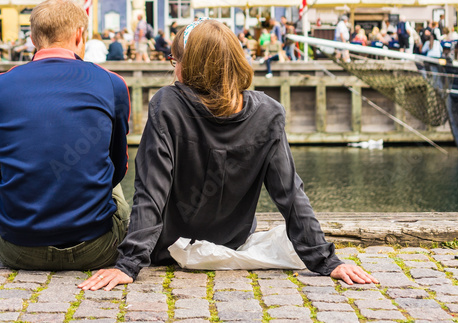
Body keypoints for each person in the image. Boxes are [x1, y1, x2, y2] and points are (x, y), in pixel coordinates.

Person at [79, 19, 375, 291]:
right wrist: (326, 261)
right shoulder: (268, 113)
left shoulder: (167, 104)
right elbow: (289, 193)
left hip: (167, 246)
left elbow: (151, 191)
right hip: (231, 240)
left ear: (190, 65)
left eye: (175, 61)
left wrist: (129, 264)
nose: (174, 70)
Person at [0, 0, 130, 270]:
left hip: (17, 250)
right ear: (79, 35)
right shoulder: (112, 83)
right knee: (111, 179)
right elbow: (119, 167)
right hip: (95, 248)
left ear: (34, 39)